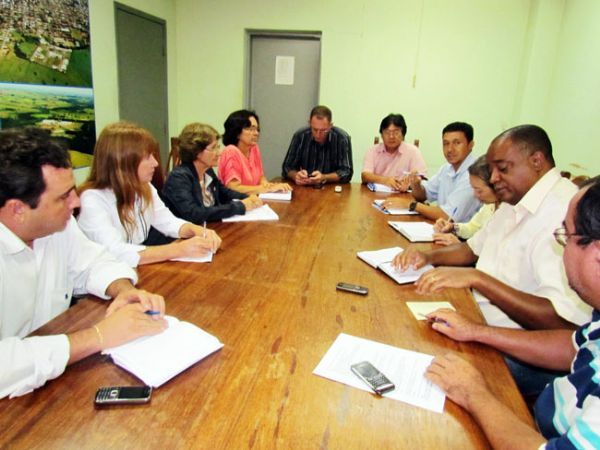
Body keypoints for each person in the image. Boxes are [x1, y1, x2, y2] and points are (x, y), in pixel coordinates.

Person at [424, 176, 600, 449]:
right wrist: (476, 331)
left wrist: (474, 394)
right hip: (541, 419)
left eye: (565, 236)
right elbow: (573, 346)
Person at [0, 127, 168, 400]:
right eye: (63, 196)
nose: (76, 202)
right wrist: (98, 336)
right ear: (18, 209)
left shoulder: (56, 226)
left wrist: (124, 290)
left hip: (49, 385)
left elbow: (95, 261)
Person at [394, 124, 591, 329]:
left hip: (511, 346)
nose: (494, 178)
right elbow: (471, 249)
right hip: (475, 315)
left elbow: (560, 323)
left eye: (503, 169)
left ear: (536, 161)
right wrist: (427, 256)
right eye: (492, 170)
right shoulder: (514, 199)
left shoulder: (566, 211)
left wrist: (478, 280)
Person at [78, 122, 221, 268]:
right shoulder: (92, 200)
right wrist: (177, 249)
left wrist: (195, 230)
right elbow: (115, 252)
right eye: (147, 157)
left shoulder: (144, 187)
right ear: (124, 161)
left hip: (134, 269)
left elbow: (166, 220)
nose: (156, 163)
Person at [163, 122, 263, 223]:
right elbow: (194, 214)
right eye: (213, 148)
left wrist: (249, 198)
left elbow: (225, 193)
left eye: (218, 147)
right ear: (196, 151)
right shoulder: (178, 178)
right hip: (185, 237)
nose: (219, 153)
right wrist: (239, 207)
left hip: (210, 230)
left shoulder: (208, 171)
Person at [383, 121, 480, 222]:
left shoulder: (474, 174)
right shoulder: (446, 168)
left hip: (461, 236)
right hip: (442, 229)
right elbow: (424, 195)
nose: (450, 149)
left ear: (470, 145)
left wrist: (410, 205)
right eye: (446, 144)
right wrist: (416, 184)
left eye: (457, 143)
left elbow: (448, 216)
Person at [217, 110, 291, 195]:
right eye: (251, 129)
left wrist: (266, 185)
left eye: (257, 129)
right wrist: (268, 189)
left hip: (254, 200)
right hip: (236, 204)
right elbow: (233, 188)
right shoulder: (230, 151)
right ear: (237, 132)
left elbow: (260, 176)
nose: (256, 133)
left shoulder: (253, 148)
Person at [432, 155, 499, 246]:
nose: (475, 195)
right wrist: (453, 227)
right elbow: (473, 227)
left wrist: (459, 245)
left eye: (479, 190)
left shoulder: (509, 212)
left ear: (495, 185)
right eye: (473, 189)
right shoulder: (489, 205)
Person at [282, 105, 353, 185]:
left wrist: (324, 177)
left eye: (323, 130)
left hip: (330, 188)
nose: (318, 134)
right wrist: (296, 176)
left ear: (330, 126)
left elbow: (347, 172)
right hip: (304, 187)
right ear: (309, 123)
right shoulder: (300, 136)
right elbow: (287, 167)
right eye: (315, 129)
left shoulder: (342, 138)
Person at [361, 113, 427, 191]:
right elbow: (365, 176)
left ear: (403, 135)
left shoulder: (413, 151)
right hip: (376, 196)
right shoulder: (372, 151)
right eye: (387, 132)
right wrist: (386, 181)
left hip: (404, 197)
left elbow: (423, 179)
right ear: (381, 135)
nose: (391, 136)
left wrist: (410, 184)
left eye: (396, 132)